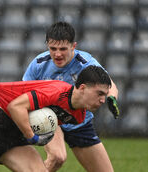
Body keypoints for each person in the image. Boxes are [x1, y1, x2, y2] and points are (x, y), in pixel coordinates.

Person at [0, 65, 112, 172]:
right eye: (100, 94)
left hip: (17, 135)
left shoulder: (78, 115)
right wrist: (32, 137)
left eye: (105, 95)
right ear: (82, 88)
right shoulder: (56, 91)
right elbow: (15, 107)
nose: (103, 100)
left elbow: (46, 120)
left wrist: (42, 136)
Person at [23, 21, 119, 172]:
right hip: (50, 118)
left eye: (63, 49)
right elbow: (23, 91)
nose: (57, 54)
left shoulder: (85, 63)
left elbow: (109, 83)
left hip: (80, 122)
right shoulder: (39, 63)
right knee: (57, 157)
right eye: (52, 49)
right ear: (47, 45)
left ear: (73, 46)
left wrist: (111, 98)